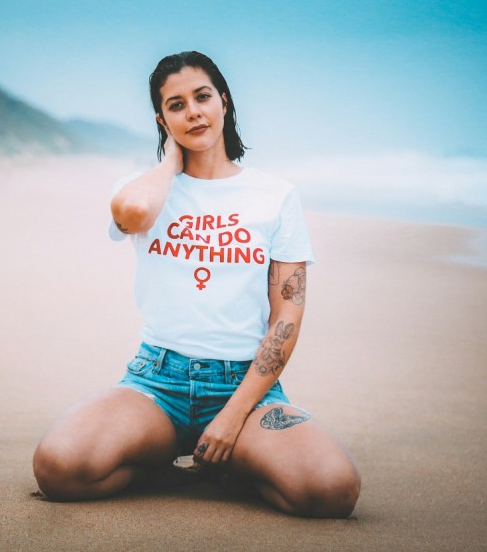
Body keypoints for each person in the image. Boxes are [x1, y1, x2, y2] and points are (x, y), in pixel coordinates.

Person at [33, 51, 360, 518]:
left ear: (224, 101)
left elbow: (288, 315)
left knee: (331, 491)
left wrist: (231, 417)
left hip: (246, 388)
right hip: (156, 383)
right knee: (59, 469)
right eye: (176, 105)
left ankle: (236, 465)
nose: (194, 112)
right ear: (162, 119)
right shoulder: (146, 188)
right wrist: (171, 160)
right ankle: (158, 463)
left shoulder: (274, 196)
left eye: (202, 97)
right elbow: (131, 216)